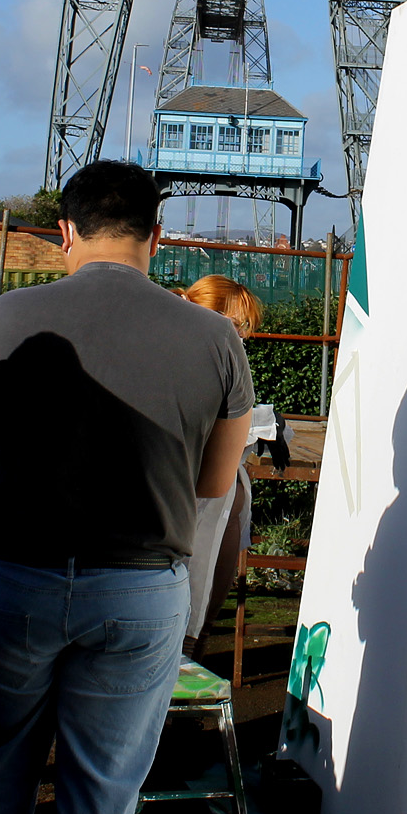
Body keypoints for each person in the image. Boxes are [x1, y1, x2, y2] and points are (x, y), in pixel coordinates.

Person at [0, 161, 253, 814]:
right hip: (141, 590)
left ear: (65, 232)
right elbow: (214, 484)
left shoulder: (7, 315)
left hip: (20, 576)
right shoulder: (217, 340)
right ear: (158, 234)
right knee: (103, 791)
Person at [179, 275, 261, 651]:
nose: (241, 335)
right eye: (237, 323)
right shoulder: (185, 344)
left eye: (244, 327)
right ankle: (193, 639)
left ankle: (198, 638)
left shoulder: (209, 348)